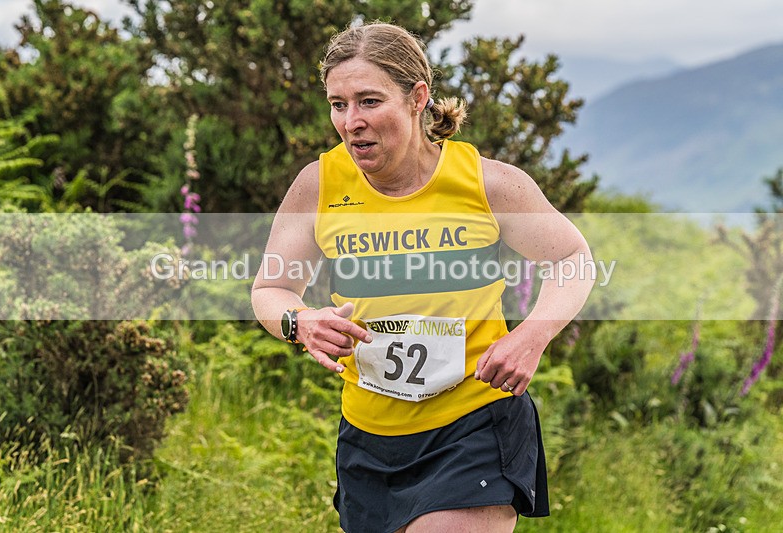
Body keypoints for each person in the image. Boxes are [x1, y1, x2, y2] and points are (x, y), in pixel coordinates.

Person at [251, 21, 594, 532]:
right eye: (338, 104)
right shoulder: (318, 185)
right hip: (368, 436)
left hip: (475, 425)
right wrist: (300, 322)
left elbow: (572, 259)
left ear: (418, 97)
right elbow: (271, 290)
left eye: (369, 101)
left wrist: (532, 335)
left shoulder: (487, 183)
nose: (351, 122)